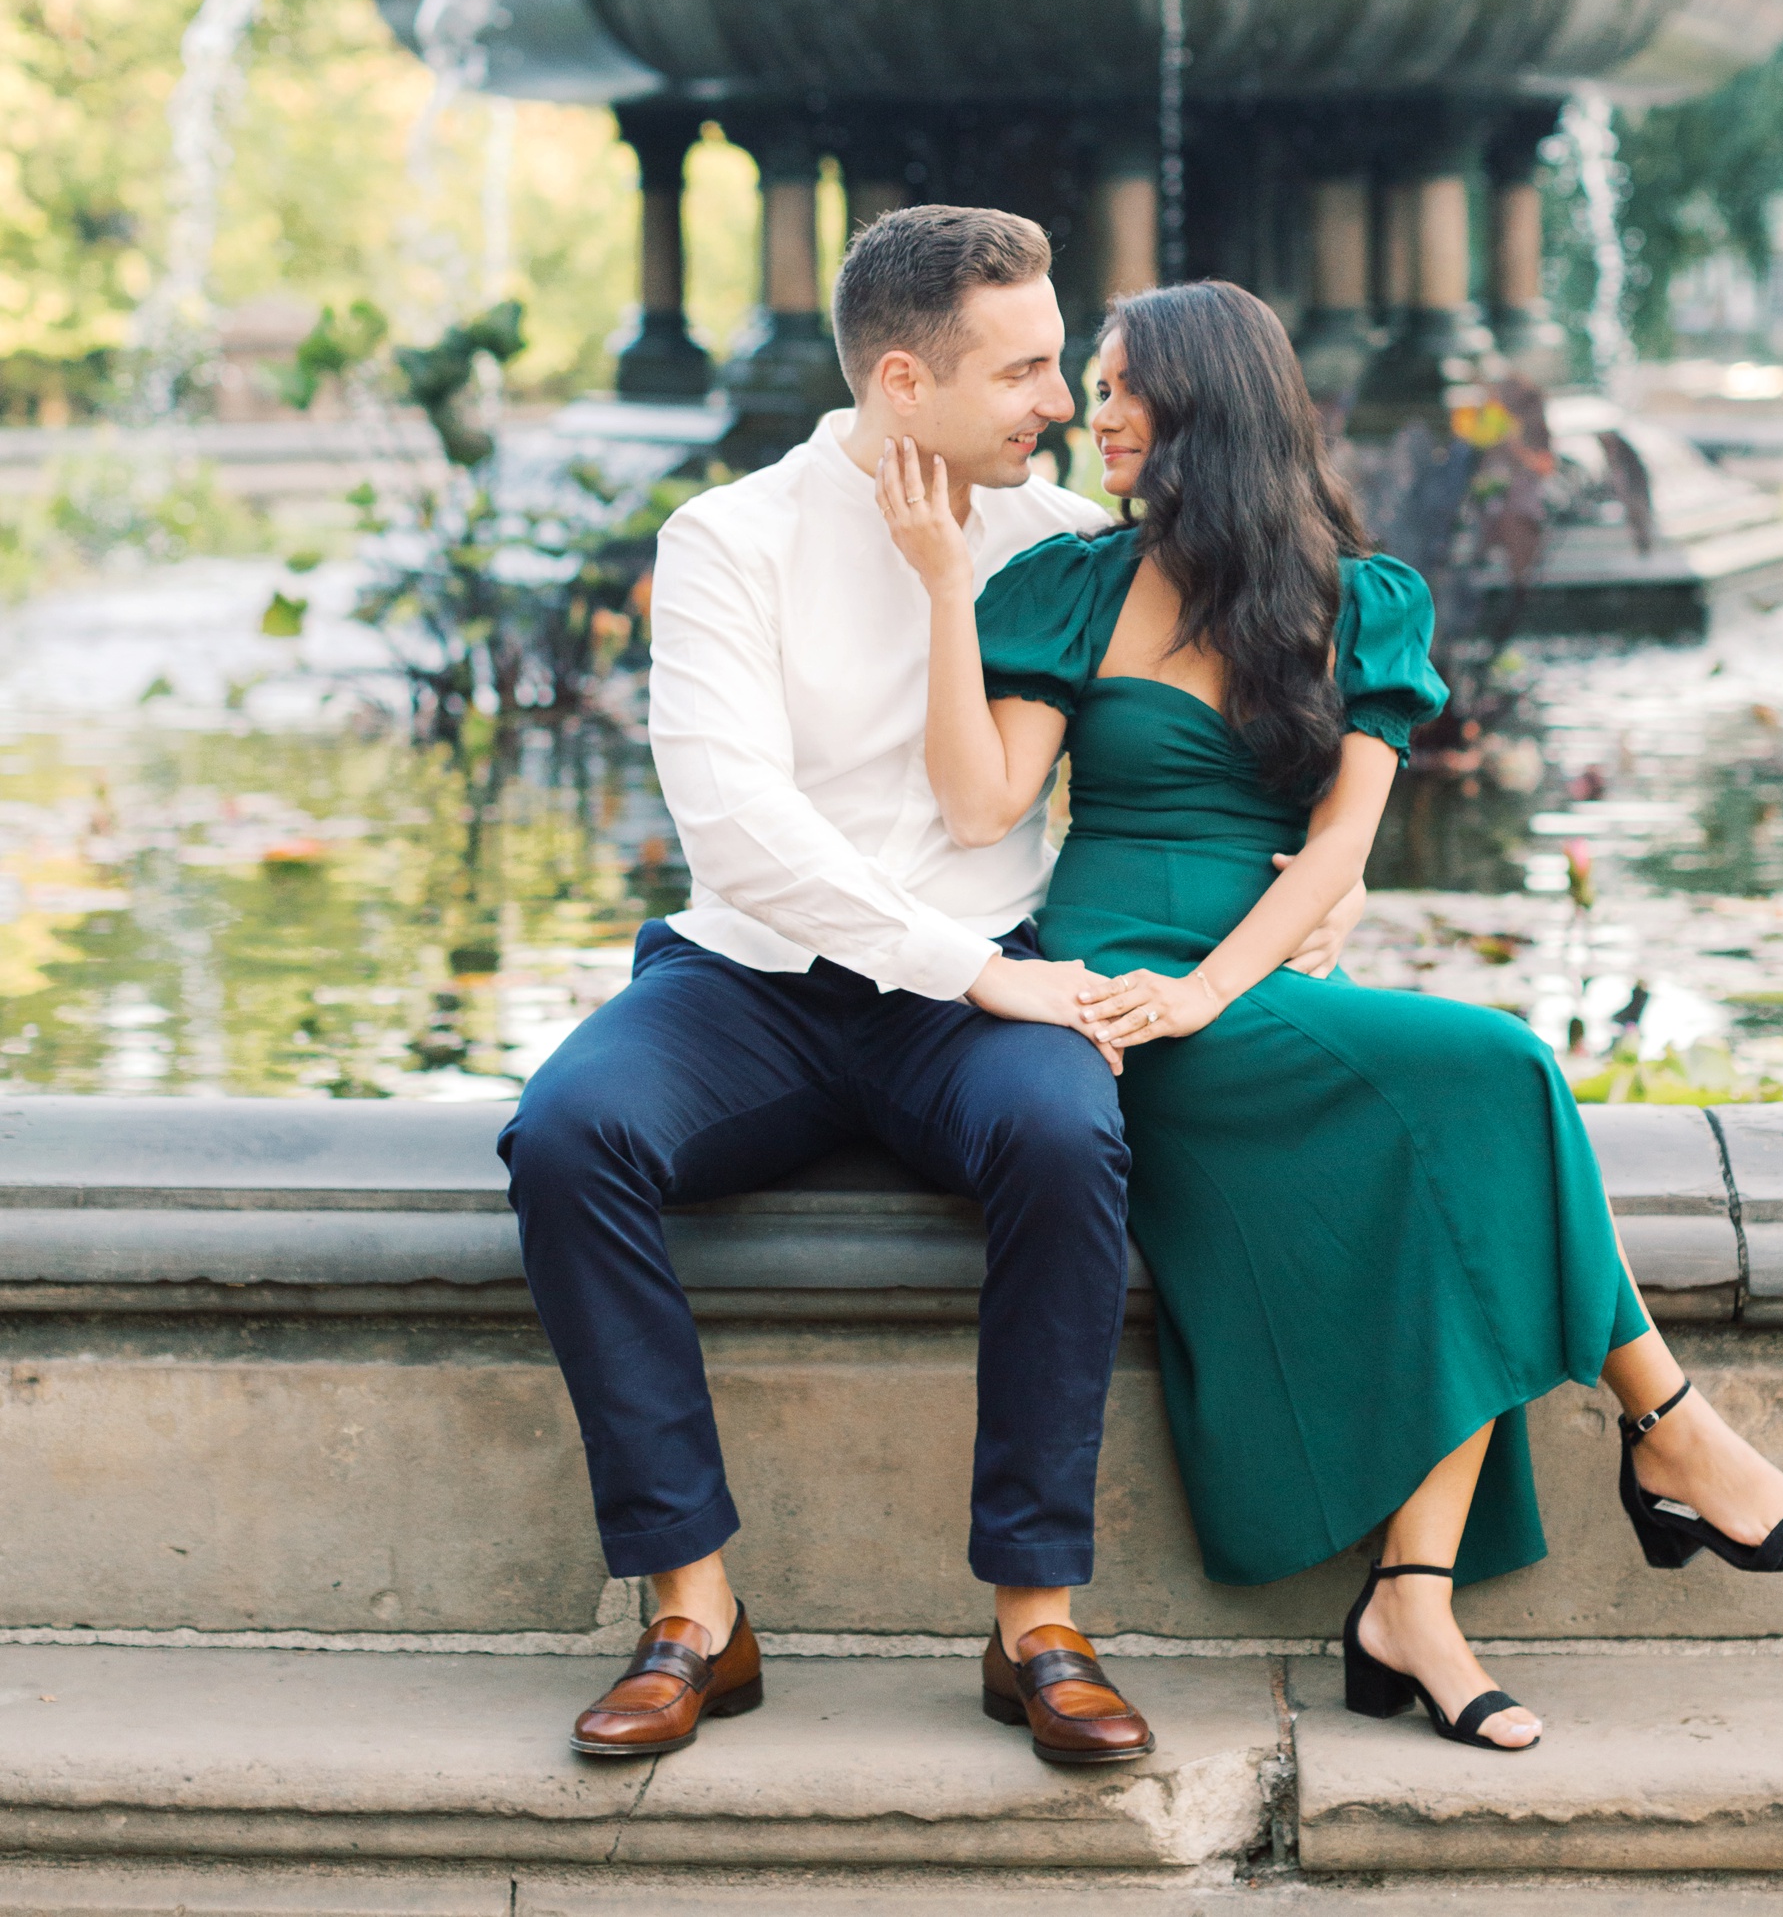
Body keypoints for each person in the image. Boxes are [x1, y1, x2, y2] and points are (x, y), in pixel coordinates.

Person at [877, 276, 1783, 1757]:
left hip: (1237, 982)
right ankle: (1656, 1432)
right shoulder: (1066, 585)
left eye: (1126, 385)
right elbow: (979, 801)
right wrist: (946, 586)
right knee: (1502, 1082)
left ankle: (1423, 1590)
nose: (1097, 412)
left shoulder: (1361, 600)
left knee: (1486, 1100)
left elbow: (1338, 853)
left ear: (1212, 404)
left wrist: (1222, 982)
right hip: (1109, 992)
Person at [498, 210, 1365, 1766]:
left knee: (1064, 1138)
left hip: (985, 993)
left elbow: (1255, 704)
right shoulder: (726, 539)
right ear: (907, 380)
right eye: (1028, 369)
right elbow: (736, 827)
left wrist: (1320, 878)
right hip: (756, 981)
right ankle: (694, 1603)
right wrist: (972, 971)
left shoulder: (1057, 542)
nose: (1065, 404)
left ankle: (1037, 1615)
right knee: (566, 1134)